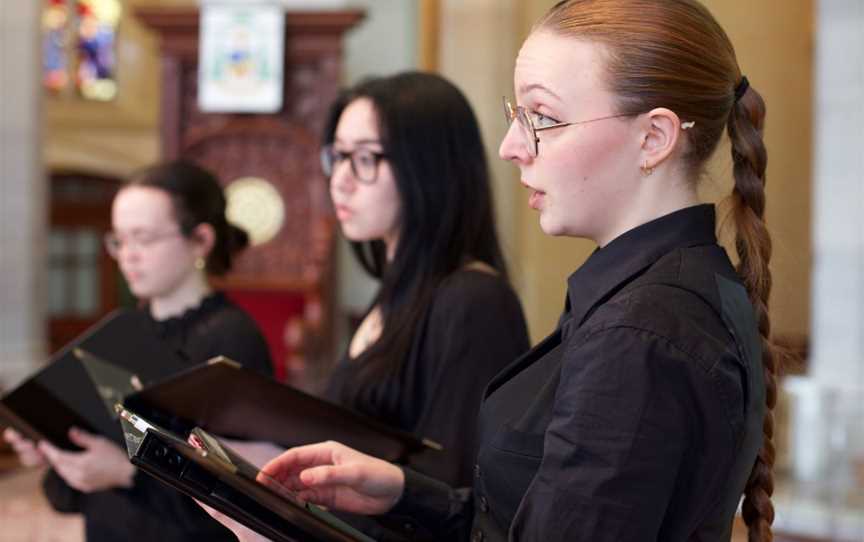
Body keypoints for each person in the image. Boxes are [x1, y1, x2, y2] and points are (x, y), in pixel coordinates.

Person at [224, 1, 780, 541]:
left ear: (653, 138)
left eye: (543, 117)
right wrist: (403, 493)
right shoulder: (645, 295)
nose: (511, 146)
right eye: (517, 116)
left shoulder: (642, 329)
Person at [4, 160, 273, 541]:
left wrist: (127, 473)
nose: (127, 255)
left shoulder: (231, 338)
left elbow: (245, 497)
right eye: (118, 239)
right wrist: (58, 454)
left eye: (143, 238)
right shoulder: (121, 334)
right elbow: (66, 498)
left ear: (200, 240)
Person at [318, 72, 530, 489]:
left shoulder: (474, 301)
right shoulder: (395, 291)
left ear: (427, 168)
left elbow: (455, 486)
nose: (339, 180)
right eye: (338, 156)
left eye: (364, 159)